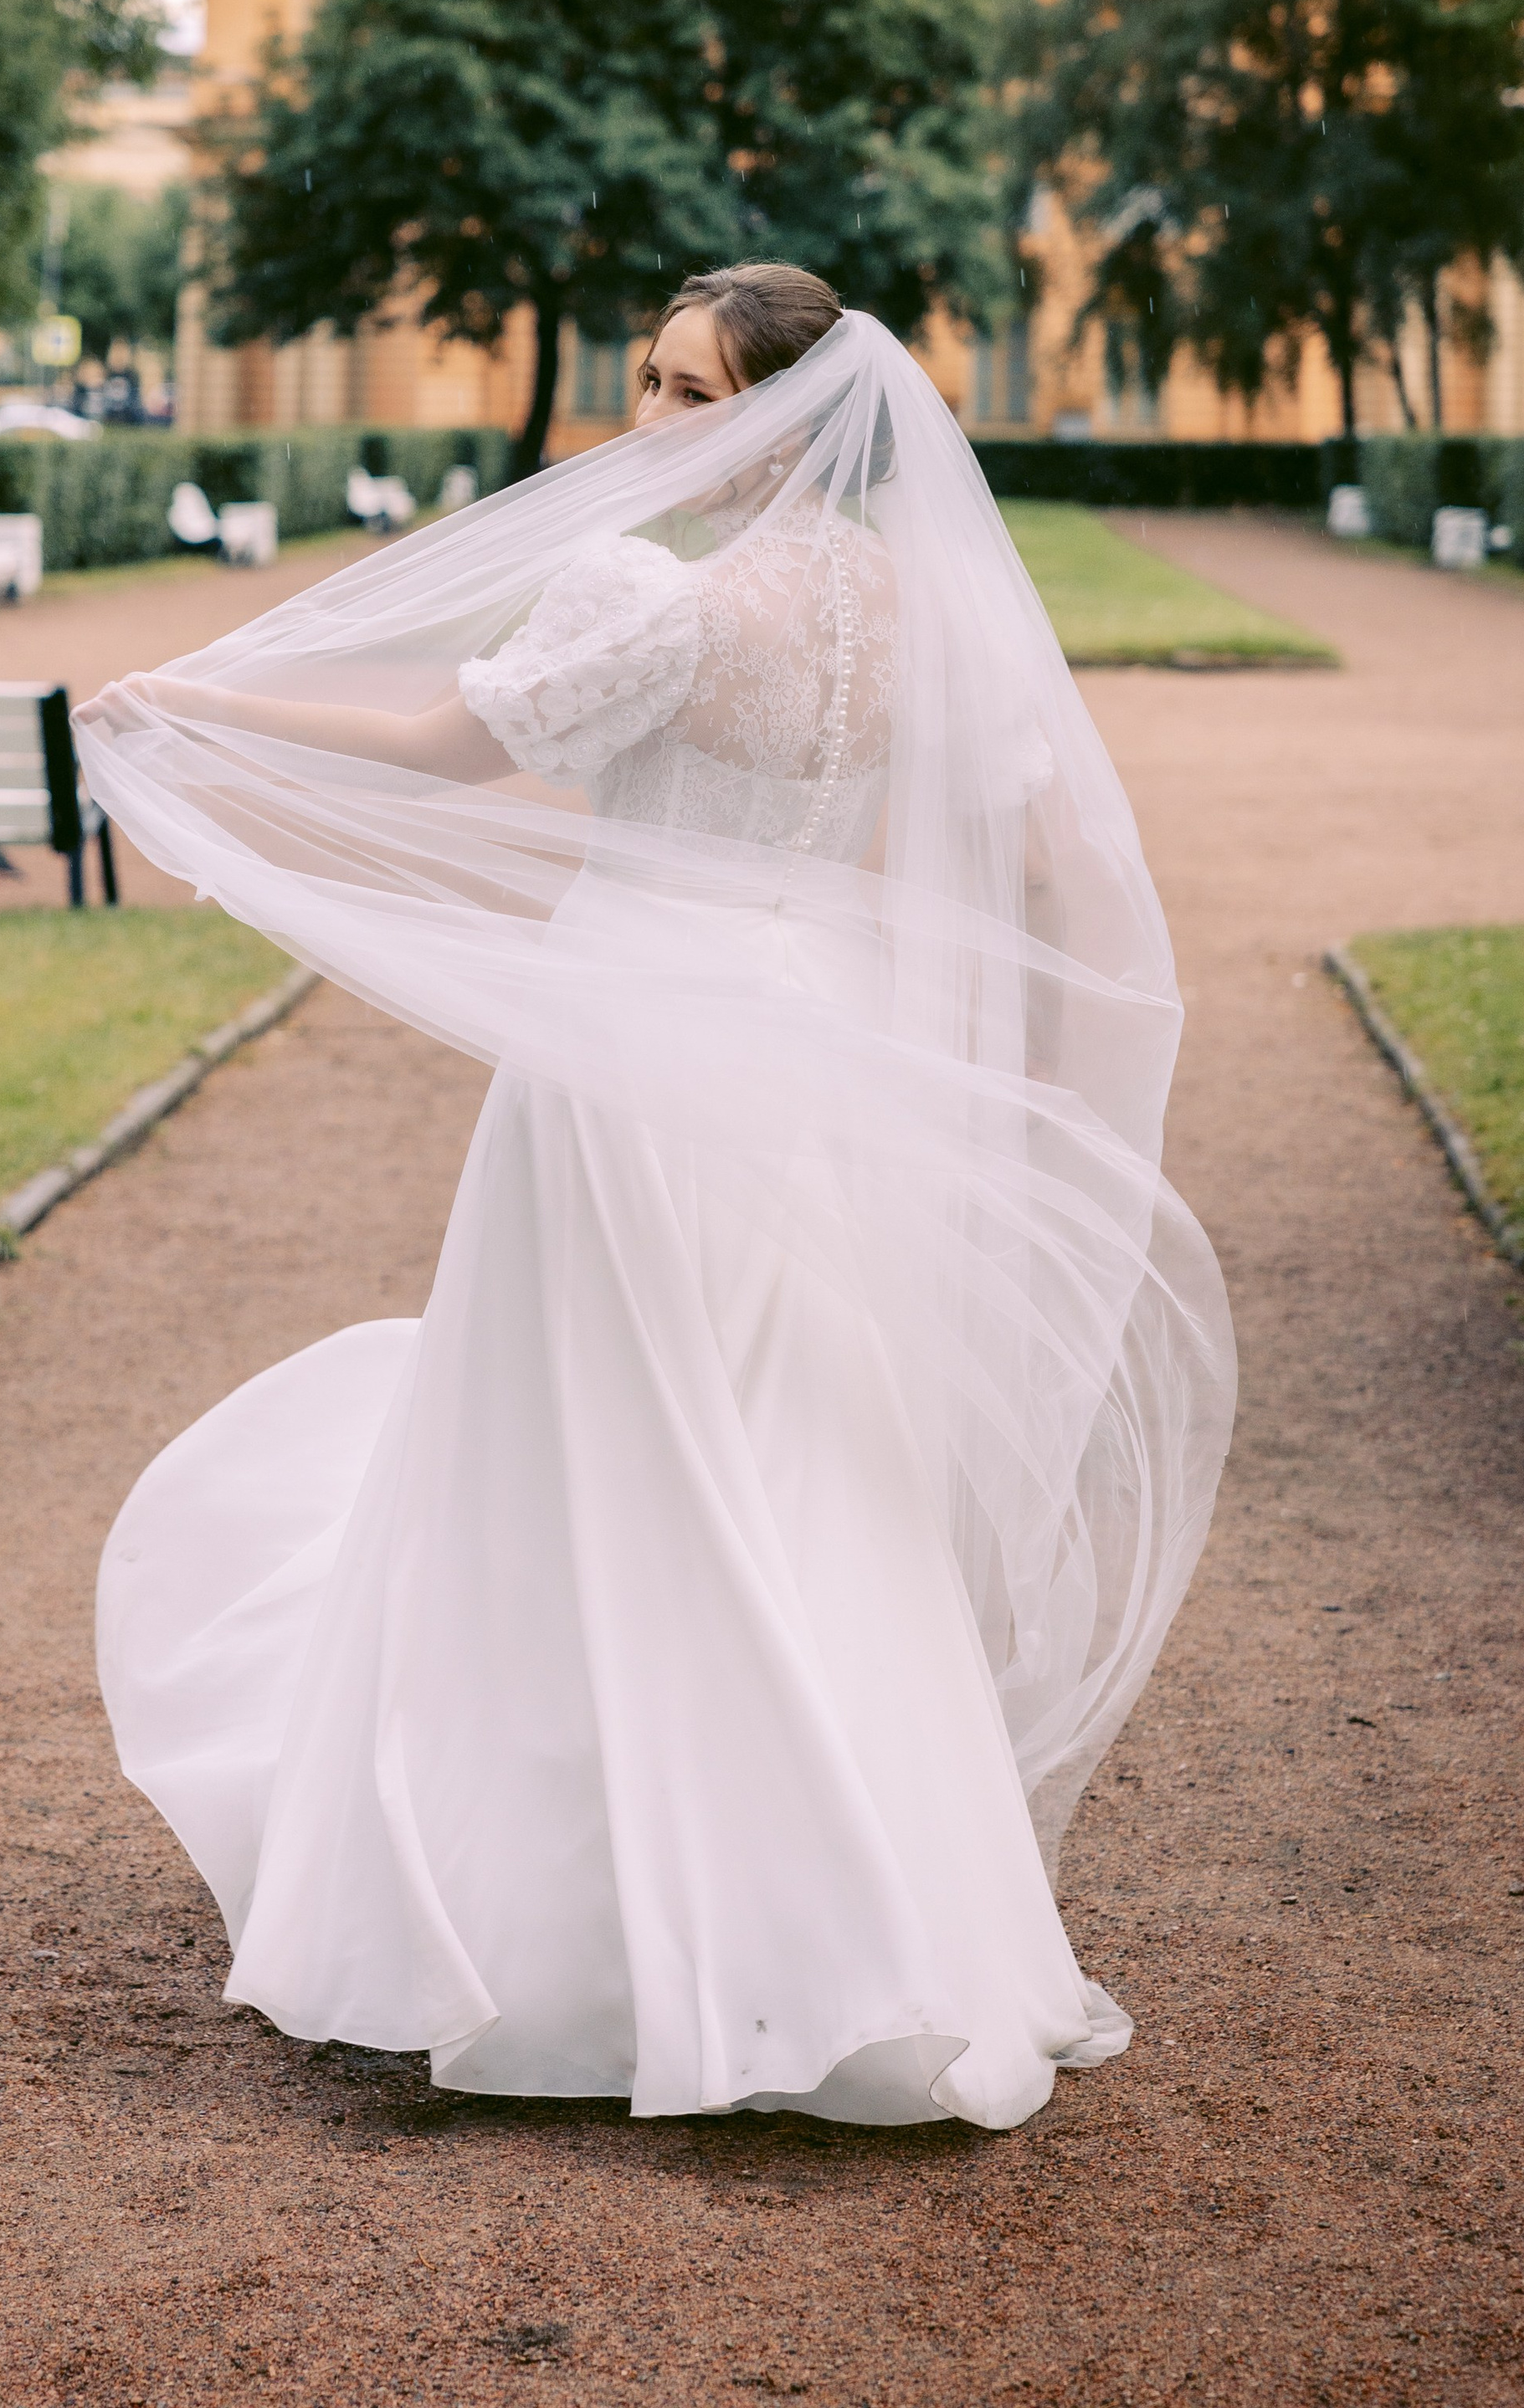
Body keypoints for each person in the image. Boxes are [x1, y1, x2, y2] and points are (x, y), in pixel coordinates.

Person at [74, 264, 1234, 2133]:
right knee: (788, 1453)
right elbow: (1029, 856)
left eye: (691, 392)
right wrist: (985, 1075)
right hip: (817, 1044)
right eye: (649, 379)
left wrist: (210, 704)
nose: (650, 420)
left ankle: (584, 1932)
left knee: (608, 1451)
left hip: (629, 1055)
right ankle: (869, 1921)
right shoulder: (919, 609)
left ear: (778, 414)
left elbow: (454, 748)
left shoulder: (649, 591)